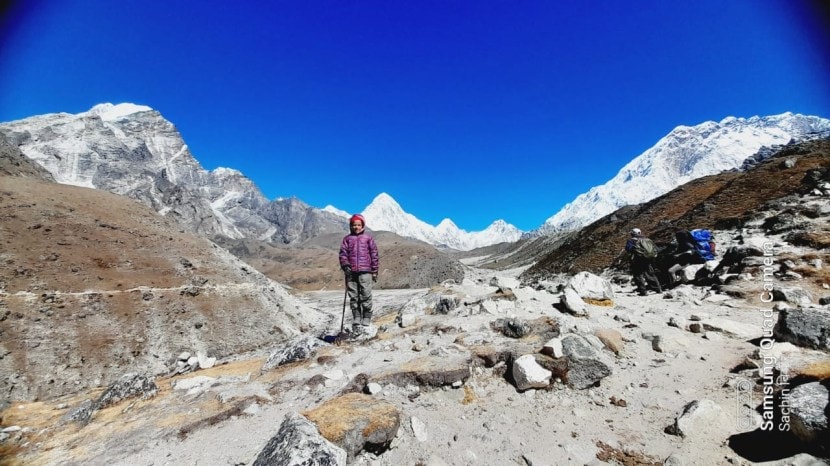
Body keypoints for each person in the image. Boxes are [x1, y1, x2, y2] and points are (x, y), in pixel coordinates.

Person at [339, 214, 379, 336]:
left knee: (365, 294)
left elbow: (374, 255)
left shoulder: (368, 238)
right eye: (354, 225)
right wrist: (345, 265)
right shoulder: (347, 239)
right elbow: (343, 254)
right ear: (351, 226)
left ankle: (366, 316)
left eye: (358, 225)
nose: (356, 227)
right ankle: (356, 316)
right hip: (351, 271)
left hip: (365, 270)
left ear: (363, 225)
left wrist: (374, 271)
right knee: (354, 295)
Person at [625, 228, 662, 296]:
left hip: (637, 260)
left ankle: (643, 291)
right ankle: (658, 289)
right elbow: (655, 248)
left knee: (638, 275)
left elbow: (628, 249)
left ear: (632, 233)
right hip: (647, 259)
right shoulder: (646, 240)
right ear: (640, 233)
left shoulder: (631, 240)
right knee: (650, 274)